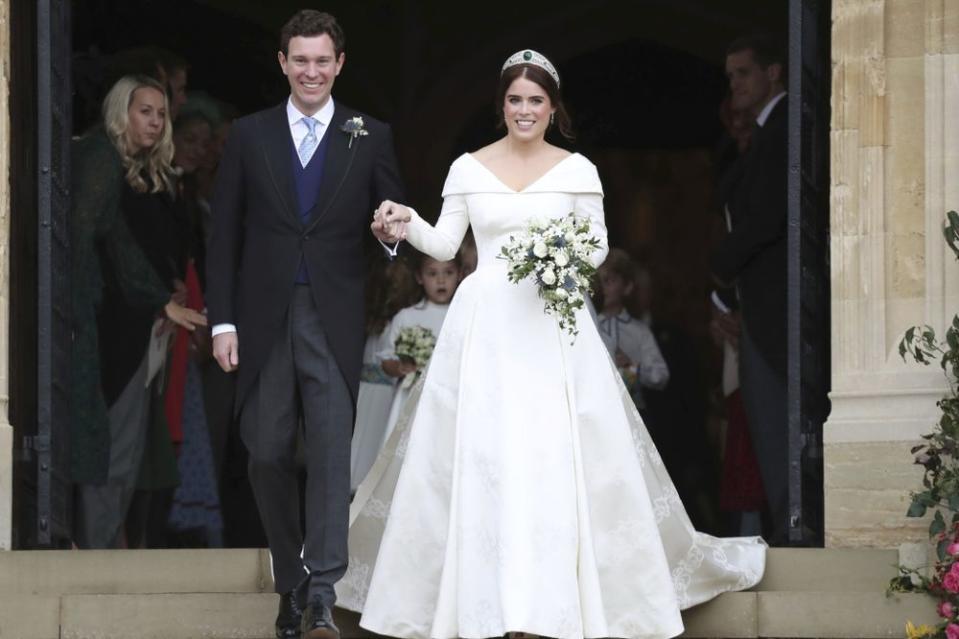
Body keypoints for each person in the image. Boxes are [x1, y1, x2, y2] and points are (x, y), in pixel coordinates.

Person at [346, 49, 766, 639]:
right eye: (515, 100)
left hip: (549, 322)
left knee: (550, 454)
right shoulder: (468, 167)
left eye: (536, 100)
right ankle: (480, 602)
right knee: (483, 455)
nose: (525, 110)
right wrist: (403, 222)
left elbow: (595, 246)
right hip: (485, 324)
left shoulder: (577, 170)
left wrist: (561, 259)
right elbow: (444, 245)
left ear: (552, 107)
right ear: (502, 106)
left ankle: (549, 603)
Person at [205, 10, 408, 639]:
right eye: (301, 60)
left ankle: (322, 591)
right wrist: (222, 323)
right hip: (262, 317)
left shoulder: (369, 135)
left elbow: (391, 217)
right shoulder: (249, 134)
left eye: (323, 60)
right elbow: (223, 236)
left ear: (339, 64)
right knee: (265, 452)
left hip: (334, 314)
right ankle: (291, 578)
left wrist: (389, 234)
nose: (312, 71)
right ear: (283, 62)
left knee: (328, 452)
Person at [70, 74, 207, 549]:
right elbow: (101, 246)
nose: (154, 120)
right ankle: (93, 554)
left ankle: (100, 549)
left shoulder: (143, 172)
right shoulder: (100, 159)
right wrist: (157, 298)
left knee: (123, 449)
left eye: (160, 113)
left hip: (140, 323)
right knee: (111, 446)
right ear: (120, 112)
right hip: (110, 327)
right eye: (143, 110)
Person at [710, 34, 788, 544]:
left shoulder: (782, 129)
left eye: (742, 73)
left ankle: (788, 536)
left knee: (777, 430)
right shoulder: (764, 134)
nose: (734, 85)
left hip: (779, 309)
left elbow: (768, 215)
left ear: (773, 72)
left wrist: (719, 268)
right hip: (756, 305)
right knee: (757, 431)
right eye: (730, 75)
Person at [349, 257, 420, 492]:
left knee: (375, 445)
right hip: (368, 392)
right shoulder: (374, 320)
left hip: (387, 394)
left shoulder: (403, 320)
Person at [378, 254, 459, 446]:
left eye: (448, 272)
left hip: (450, 398)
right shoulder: (407, 317)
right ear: (419, 277)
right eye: (432, 273)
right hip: (411, 397)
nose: (441, 280)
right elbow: (386, 359)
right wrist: (400, 368)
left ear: (460, 274)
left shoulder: (463, 317)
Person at [594, 248, 669, 411]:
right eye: (599, 282)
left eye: (610, 280)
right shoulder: (591, 329)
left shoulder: (639, 331)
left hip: (634, 413)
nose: (603, 287)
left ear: (627, 287)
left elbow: (661, 375)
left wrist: (632, 368)